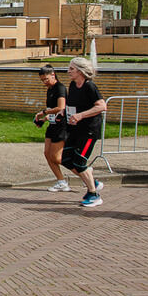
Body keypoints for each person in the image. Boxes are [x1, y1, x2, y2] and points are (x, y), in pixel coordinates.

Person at [61, 57, 108, 207]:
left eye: (71, 69)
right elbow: (72, 105)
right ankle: (92, 181)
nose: (68, 71)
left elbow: (102, 106)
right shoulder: (73, 85)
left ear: (81, 71)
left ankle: (94, 194)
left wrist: (81, 115)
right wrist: (63, 113)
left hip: (88, 131)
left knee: (80, 162)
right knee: (66, 159)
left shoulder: (90, 87)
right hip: (75, 129)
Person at [35, 64, 72, 191]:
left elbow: (61, 107)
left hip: (61, 126)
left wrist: (43, 112)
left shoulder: (60, 88)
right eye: (42, 80)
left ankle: (85, 172)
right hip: (52, 125)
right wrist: (44, 119)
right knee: (47, 154)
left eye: (46, 79)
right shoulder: (50, 89)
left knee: (56, 157)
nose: (44, 82)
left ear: (53, 75)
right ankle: (61, 181)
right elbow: (53, 110)